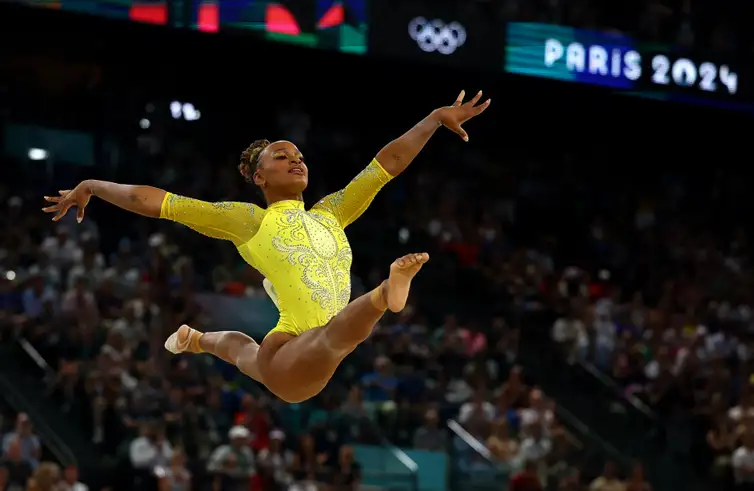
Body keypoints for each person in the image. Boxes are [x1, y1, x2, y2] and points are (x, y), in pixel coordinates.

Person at [43, 91, 491, 403]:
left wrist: (433, 119)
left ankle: (195, 339)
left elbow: (385, 165)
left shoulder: (330, 212)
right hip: (296, 353)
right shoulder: (250, 221)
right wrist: (92, 185)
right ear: (259, 177)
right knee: (330, 336)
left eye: (298, 155)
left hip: (302, 358)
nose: (295, 159)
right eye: (281, 156)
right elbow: (155, 201)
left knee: (243, 352)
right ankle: (384, 295)